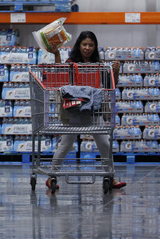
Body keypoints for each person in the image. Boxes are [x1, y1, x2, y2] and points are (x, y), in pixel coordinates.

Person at [49, 30, 126, 190]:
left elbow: (109, 85)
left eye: (91, 45)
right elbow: (60, 75)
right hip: (74, 109)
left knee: (104, 143)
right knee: (65, 145)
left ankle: (111, 177)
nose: (87, 48)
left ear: (95, 47)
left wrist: (115, 71)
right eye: (84, 44)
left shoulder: (99, 65)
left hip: (94, 109)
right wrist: (56, 54)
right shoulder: (71, 63)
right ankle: (52, 176)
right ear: (79, 45)